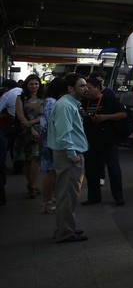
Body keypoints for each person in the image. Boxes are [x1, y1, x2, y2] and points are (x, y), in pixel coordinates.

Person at [47, 73, 90, 243]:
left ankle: (67, 227)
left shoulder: (69, 104)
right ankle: (65, 232)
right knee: (67, 194)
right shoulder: (66, 105)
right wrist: (73, 155)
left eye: (85, 85)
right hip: (69, 155)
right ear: (70, 88)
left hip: (69, 154)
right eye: (81, 86)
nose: (85, 89)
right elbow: (64, 134)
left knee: (69, 194)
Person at [81, 75, 127, 205]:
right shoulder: (84, 102)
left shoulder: (109, 99)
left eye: (88, 88)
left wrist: (105, 117)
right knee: (91, 170)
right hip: (90, 140)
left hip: (108, 140)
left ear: (97, 88)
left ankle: (118, 196)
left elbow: (122, 114)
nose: (86, 91)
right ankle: (93, 197)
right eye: (84, 88)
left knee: (113, 169)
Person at [38, 77, 67, 214]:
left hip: (51, 140)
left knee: (54, 172)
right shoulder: (51, 102)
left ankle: (53, 200)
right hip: (50, 141)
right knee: (51, 172)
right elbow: (53, 122)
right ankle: (47, 202)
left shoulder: (53, 101)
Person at [14, 74, 45, 199]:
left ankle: (33, 186)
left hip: (41, 130)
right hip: (25, 131)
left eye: (36, 84)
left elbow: (46, 114)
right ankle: (31, 184)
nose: (34, 86)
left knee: (35, 159)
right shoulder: (21, 98)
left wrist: (33, 123)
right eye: (31, 84)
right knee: (27, 160)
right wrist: (30, 127)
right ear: (27, 85)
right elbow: (20, 115)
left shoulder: (44, 97)